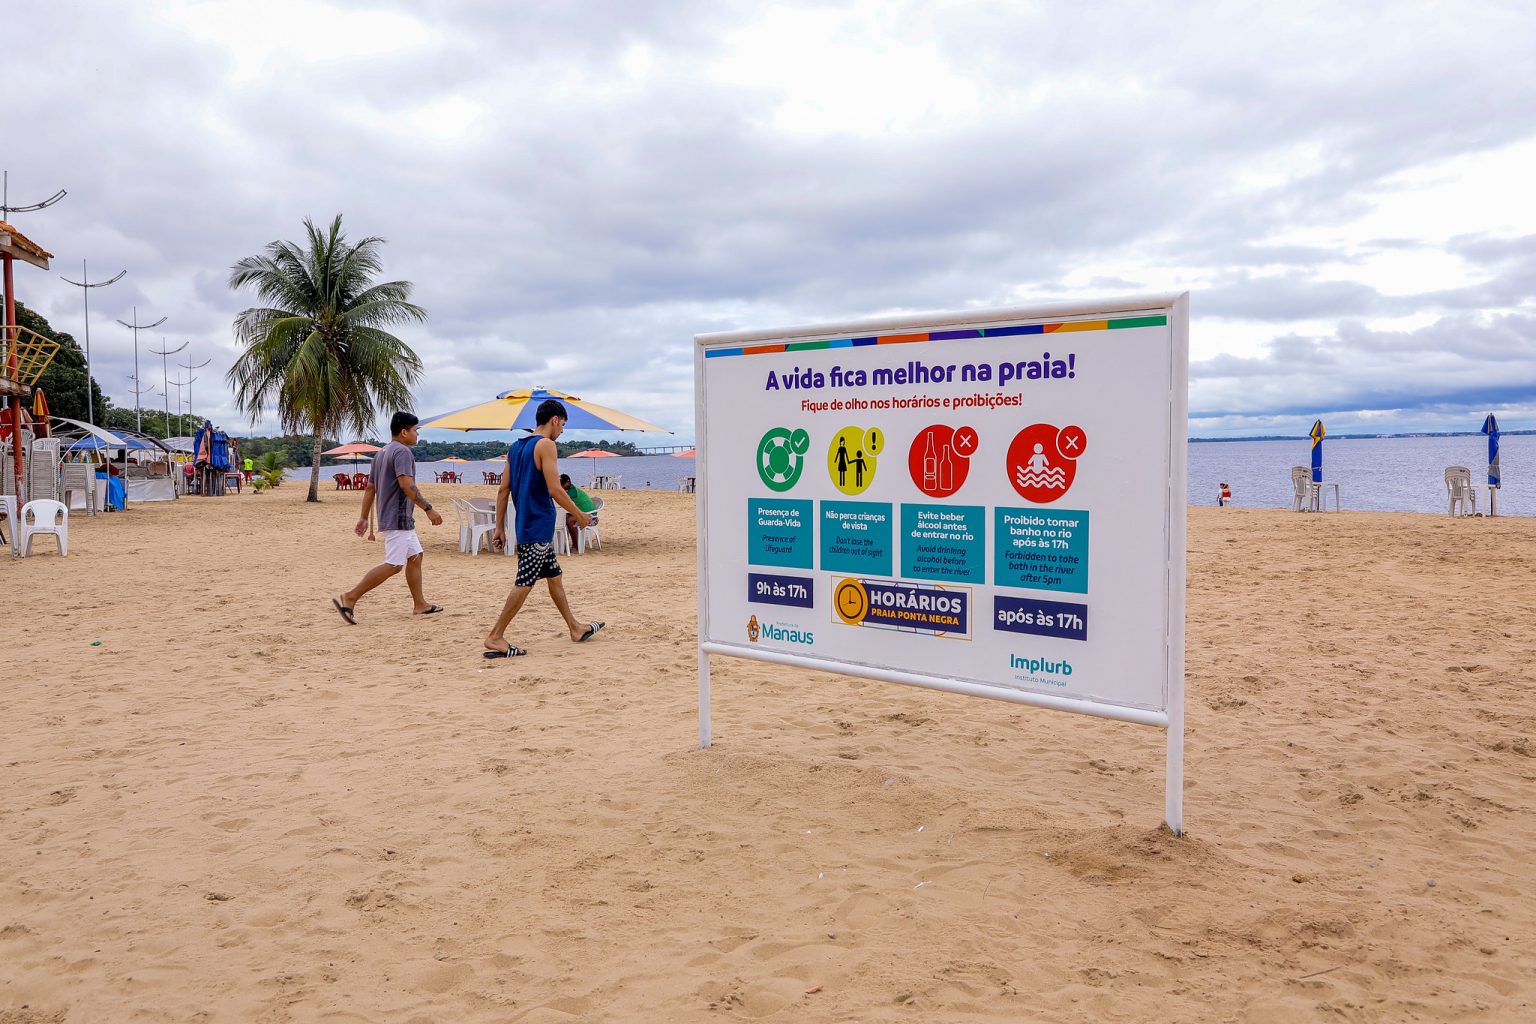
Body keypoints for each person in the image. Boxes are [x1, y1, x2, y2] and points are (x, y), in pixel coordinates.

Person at [483, 399, 604, 657]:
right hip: (537, 525)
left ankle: (575, 628)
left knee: (554, 576)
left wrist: (499, 527)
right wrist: (579, 514)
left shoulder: (515, 448)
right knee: (524, 582)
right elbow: (555, 489)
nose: (561, 432)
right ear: (555, 420)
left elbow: (503, 489)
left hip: (525, 523)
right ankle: (495, 636)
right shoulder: (546, 445)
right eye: (563, 426)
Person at [333, 411, 444, 624]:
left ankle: (420, 604)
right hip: (398, 515)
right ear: (404, 432)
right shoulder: (402, 452)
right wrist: (428, 509)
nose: (417, 435)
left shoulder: (382, 453)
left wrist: (364, 517)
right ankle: (350, 597)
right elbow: (407, 485)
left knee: (416, 557)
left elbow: (370, 487)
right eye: (415, 431)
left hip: (392, 515)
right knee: (394, 565)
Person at [559, 473, 598, 550]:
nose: (561, 486)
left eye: (562, 484)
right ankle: (562, 544)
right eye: (560, 484)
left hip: (591, 517)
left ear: (568, 482)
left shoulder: (572, 491)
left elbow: (561, 501)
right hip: (586, 513)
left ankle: (575, 546)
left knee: (569, 520)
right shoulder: (569, 490)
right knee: (562, 518)